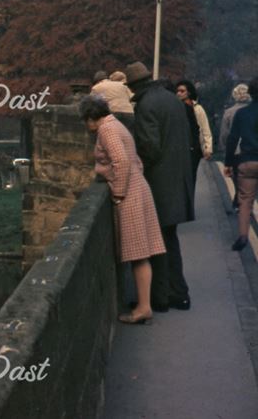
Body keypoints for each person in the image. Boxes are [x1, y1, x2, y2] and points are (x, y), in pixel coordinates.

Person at [81, 96, 166, 324]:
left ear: (91, 118)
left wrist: (118, 192)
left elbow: (121, 161)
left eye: (85, 121)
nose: (86, 127)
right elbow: (136, 161)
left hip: (129, 194)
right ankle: (144, 306)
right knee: (140, 253)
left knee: (137, 254)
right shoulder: (116, 124)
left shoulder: (106, 130)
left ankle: (143, 308)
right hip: (138, 187)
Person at [125, 61, 195, 312]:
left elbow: (150, 147)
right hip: (179, 177)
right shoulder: (170, 98)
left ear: (134, 86)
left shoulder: (146, 105)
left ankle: (161, 297)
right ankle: (178, 294)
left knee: (158, 241)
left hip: (160, 181)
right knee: (169, 238)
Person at [223, 77, 258, 252]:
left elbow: (232, 138)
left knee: (245, 200)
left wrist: (228, 162)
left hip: (247, 161)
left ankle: (243, 236)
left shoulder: (242, 114)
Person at [220, 83, 251, 211]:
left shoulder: (229, 112)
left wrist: (224, 150)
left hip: (236, 150)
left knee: (237, 176)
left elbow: (225, 134)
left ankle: (239, 198)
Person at [176, 80, 213, 177]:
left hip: (195, 146)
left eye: (182, 91)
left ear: (189, 92)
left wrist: (208, 148)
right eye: (177, 91)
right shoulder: (176, 107)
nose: (179, 93)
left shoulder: (198, 108)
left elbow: (205, 128)